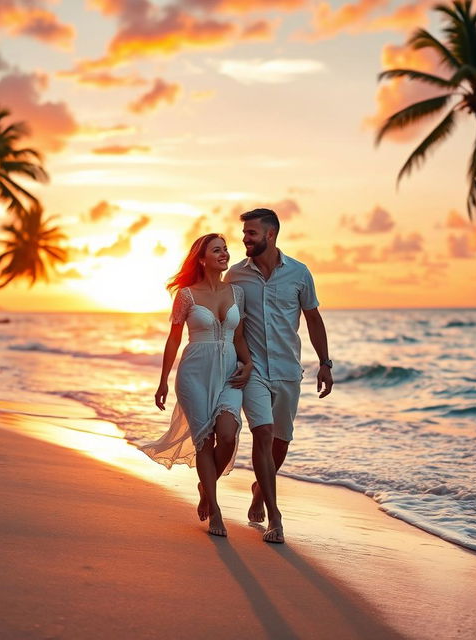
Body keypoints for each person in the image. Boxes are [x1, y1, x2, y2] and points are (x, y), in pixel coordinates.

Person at [226, 208, 333, 544]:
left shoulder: (299, 274)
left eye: (251, 233)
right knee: (264, 433)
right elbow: (230, 322)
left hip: (288, 370)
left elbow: (313, 320)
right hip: (252, 369)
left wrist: (325, 363)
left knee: (281, 441)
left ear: (270, 235)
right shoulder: (235, 276)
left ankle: (260, 490)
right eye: (244, 233)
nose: (245, 239)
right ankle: (276, 516)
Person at [141, 234, 253, 537]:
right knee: (205, 441)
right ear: (201, 259)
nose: (225, 254)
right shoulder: (187, 295)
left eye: (226, 249)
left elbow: (239, 336)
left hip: (229, 372)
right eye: (217, 250)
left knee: (227, 435)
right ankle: (215, 511)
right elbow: (174, 338)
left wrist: (250, 363)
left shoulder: (237, 293)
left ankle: (207, 487)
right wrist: (163, 380)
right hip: (194, 374)